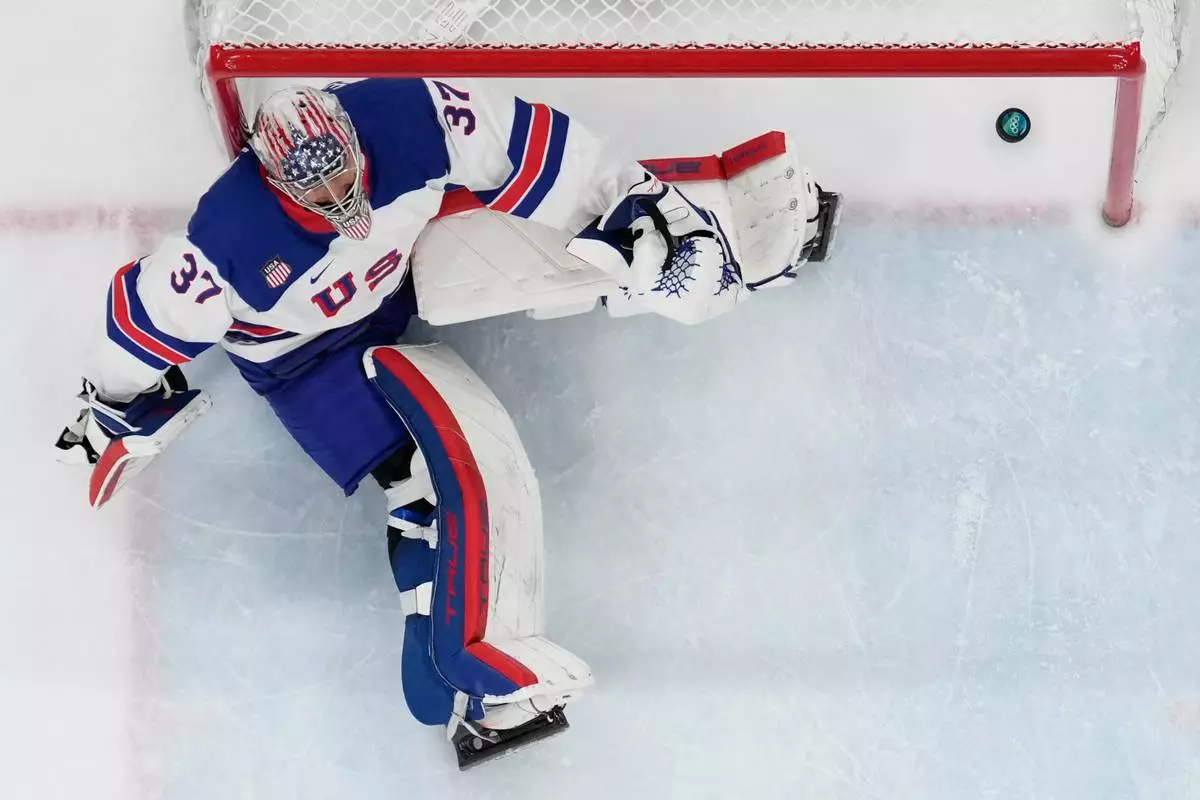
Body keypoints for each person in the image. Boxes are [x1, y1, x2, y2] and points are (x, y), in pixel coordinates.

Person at [54, 78, 839, 766]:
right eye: (319, 197)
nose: (343, 203)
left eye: (348, 176)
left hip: (408, 271)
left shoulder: (410, 115)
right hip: (308, 364)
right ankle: (474, 679)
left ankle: (735, 217)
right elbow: (135, 326)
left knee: (593, 233)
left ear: (353, 137)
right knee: (431, 480)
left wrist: (632, 205)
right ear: (276, 186)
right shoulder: (226, 244)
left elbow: (537, 151)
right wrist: (113, 402)